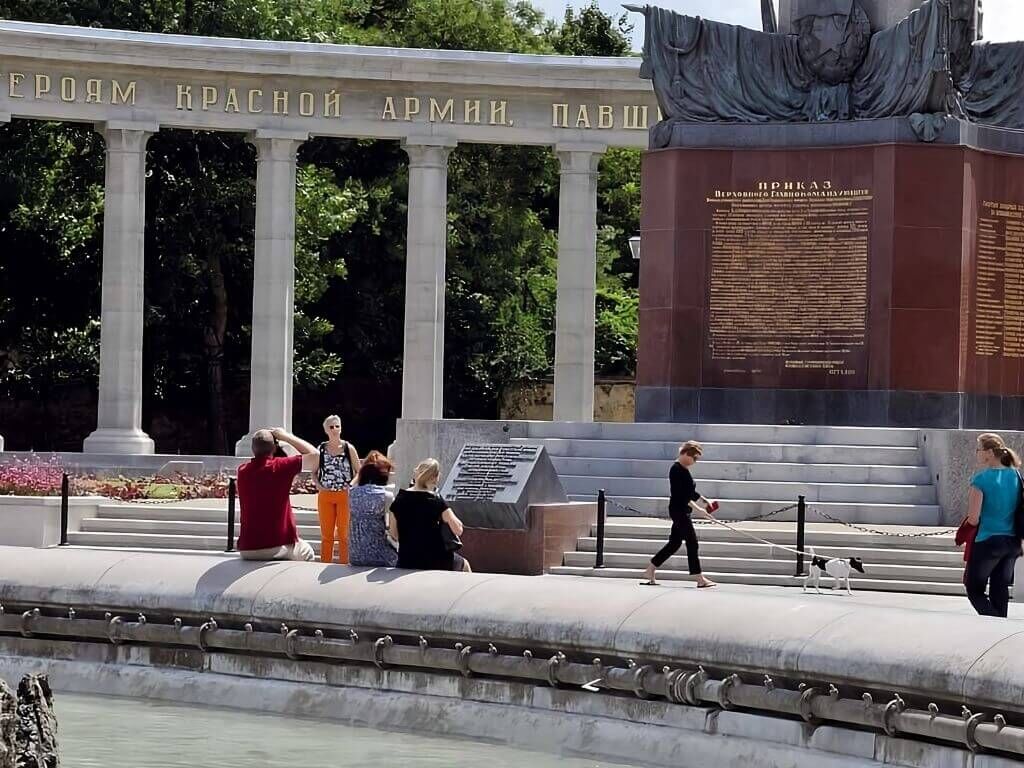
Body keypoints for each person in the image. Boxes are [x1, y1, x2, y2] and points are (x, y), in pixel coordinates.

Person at [642, 441, 717, 588]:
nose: (694, 462)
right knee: (692, 542)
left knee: (674, 543)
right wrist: (698, 510)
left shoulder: (683, 469)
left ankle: (650, 569)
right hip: (679, 510)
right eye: (693, 458)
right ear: (685, 453)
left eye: (696, 459)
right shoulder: (676, 469)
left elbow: (690, 491)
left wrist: (704, 500)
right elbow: (681, 495)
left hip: (682, 511)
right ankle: (699, 577)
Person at [236, 427, 318, 562]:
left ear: (252, 448)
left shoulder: (242, 471)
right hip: (278, 546)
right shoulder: (281, 466)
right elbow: (316, 456)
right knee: (307, 552)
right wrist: (286, 436)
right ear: (274, 448)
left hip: (247, 548)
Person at [965, 433, 1023, 617]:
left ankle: (994, 624)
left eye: (979, 450)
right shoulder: (1016, 475)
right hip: (1012, 542)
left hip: (988, 541)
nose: (977, 454)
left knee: (974, 589)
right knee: (1000, 589)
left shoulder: (981, 479)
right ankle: (1000, 630)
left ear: (989, 452)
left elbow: (973, 519)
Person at [389, 458, 471, 572]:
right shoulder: (436, 500)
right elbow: (458, 530)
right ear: (435, 478)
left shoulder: (399, 499)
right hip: (436, 560)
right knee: (464, 564)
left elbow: (394, 535)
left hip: (407, 560)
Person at [316, 415, 361, 564]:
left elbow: (359, 471)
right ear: (325, 430)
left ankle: (344, 563)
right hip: (326, 495)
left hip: (344, 495)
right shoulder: (321, 449)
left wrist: (351, 485)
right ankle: (325, 562)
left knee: (344, 534)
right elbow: (313, 470)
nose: (335, 429)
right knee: (326, 534)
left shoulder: (349, 448)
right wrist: (317, 484)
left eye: (337, 426)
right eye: (331, 427)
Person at [348, 450, 399, 568]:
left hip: (355, 556)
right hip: (380, 556)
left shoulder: (351, 493)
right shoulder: (386, 495)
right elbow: (394, 534)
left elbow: (352, 484)